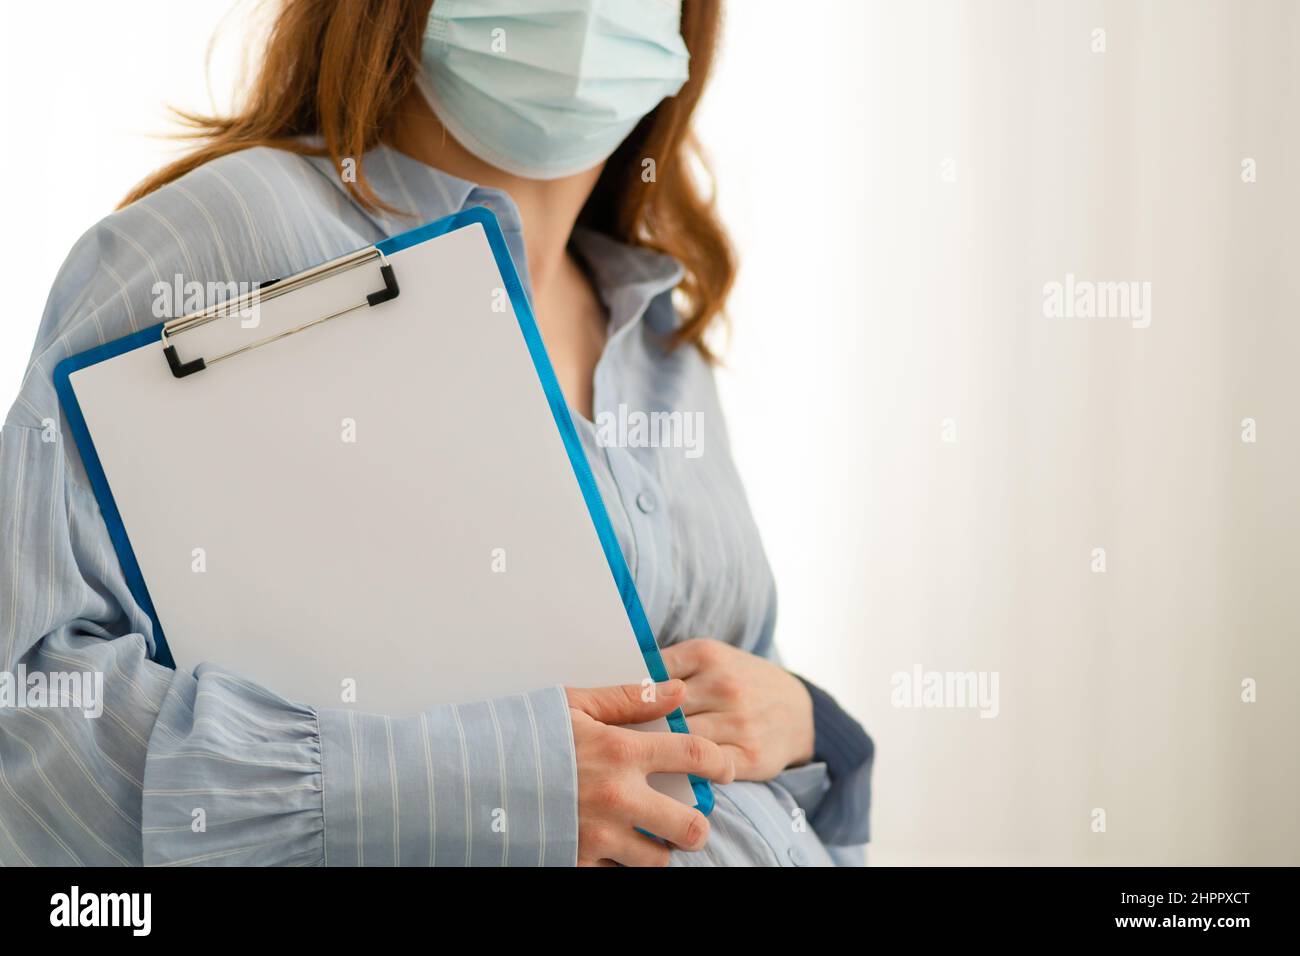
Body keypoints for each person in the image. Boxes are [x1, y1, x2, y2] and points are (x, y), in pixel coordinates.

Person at [0, 0, 872, 866]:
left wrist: (807, 718)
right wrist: (495, 786)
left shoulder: (657, 328)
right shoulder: (222, 243)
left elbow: (746, 722)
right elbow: (33, 726)